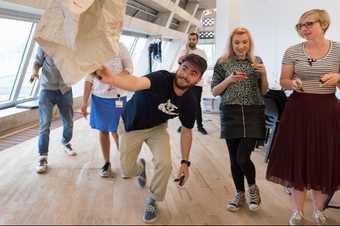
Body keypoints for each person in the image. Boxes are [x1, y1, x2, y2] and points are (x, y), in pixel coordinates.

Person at [96, 54, 207, 223]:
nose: (185, 75)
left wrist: (185, 163)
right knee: (127, 170)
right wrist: (112, 79)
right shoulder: (161, 78)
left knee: (165, 164)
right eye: (184, 68)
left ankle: (153, 199)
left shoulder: (190, 101)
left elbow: (187, 131)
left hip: (157, 128)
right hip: (131, 125)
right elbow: (135, 83)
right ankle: (140, 168)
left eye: (193, 73)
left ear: (199, 78)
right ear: (179, 67)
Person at [265, 9, 340, 225]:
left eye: (309, 24)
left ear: (323, 24)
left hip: (327, 111)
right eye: (301, 25)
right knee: (299, 158)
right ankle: (297, 211)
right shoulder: (292, 51)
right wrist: (292, 84)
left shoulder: (338, 50)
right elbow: (283, 80)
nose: (304, 29)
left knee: (322, 159)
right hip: (299, 110)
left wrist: (337, 77)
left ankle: (319, 210)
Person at [211, 27, 268, 212]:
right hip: (230, 112)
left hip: (253, 112)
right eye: (237, 42)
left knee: (243, 157)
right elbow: (214, 91)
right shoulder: (222, 62)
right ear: (231, 43)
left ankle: (252, 189)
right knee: (234, 159)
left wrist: (264, 74)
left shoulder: (257, 61)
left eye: (245, 42)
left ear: (249, 43)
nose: (241, 46)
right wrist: (229, 80)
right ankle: (239, 193)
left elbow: (264, 91)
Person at [81, 42, 133, 178]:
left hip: (118, 98)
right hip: (99, 98)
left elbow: (129, 68)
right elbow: (89, 78)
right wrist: (84, 102)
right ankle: (106, 163)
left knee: (117, 131)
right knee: (103, 130)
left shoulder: (121, 47)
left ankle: (126, 163)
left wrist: (114, 79)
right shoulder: (94, 49)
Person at [31, 46, 76, 174]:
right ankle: (43, 157)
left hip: (65, 89)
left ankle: (66, 142)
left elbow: (78, 64)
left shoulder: (70, 45)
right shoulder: (44, 44)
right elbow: (37, 62)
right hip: (47, 90)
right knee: (44, 124)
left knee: (68, 122)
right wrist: (34, 72)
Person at [177, 32, 208, 135]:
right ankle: (183, 125)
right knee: (184, 104)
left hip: (197, 84)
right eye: (190, 39)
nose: (191, 41)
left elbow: (203, 67)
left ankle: (200, 126)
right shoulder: (183, 51)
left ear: (197, 40)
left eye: (193, 39)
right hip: (185, 82)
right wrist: (187, 51)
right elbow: (180, 62)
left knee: (196, 105)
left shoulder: (201, 52)